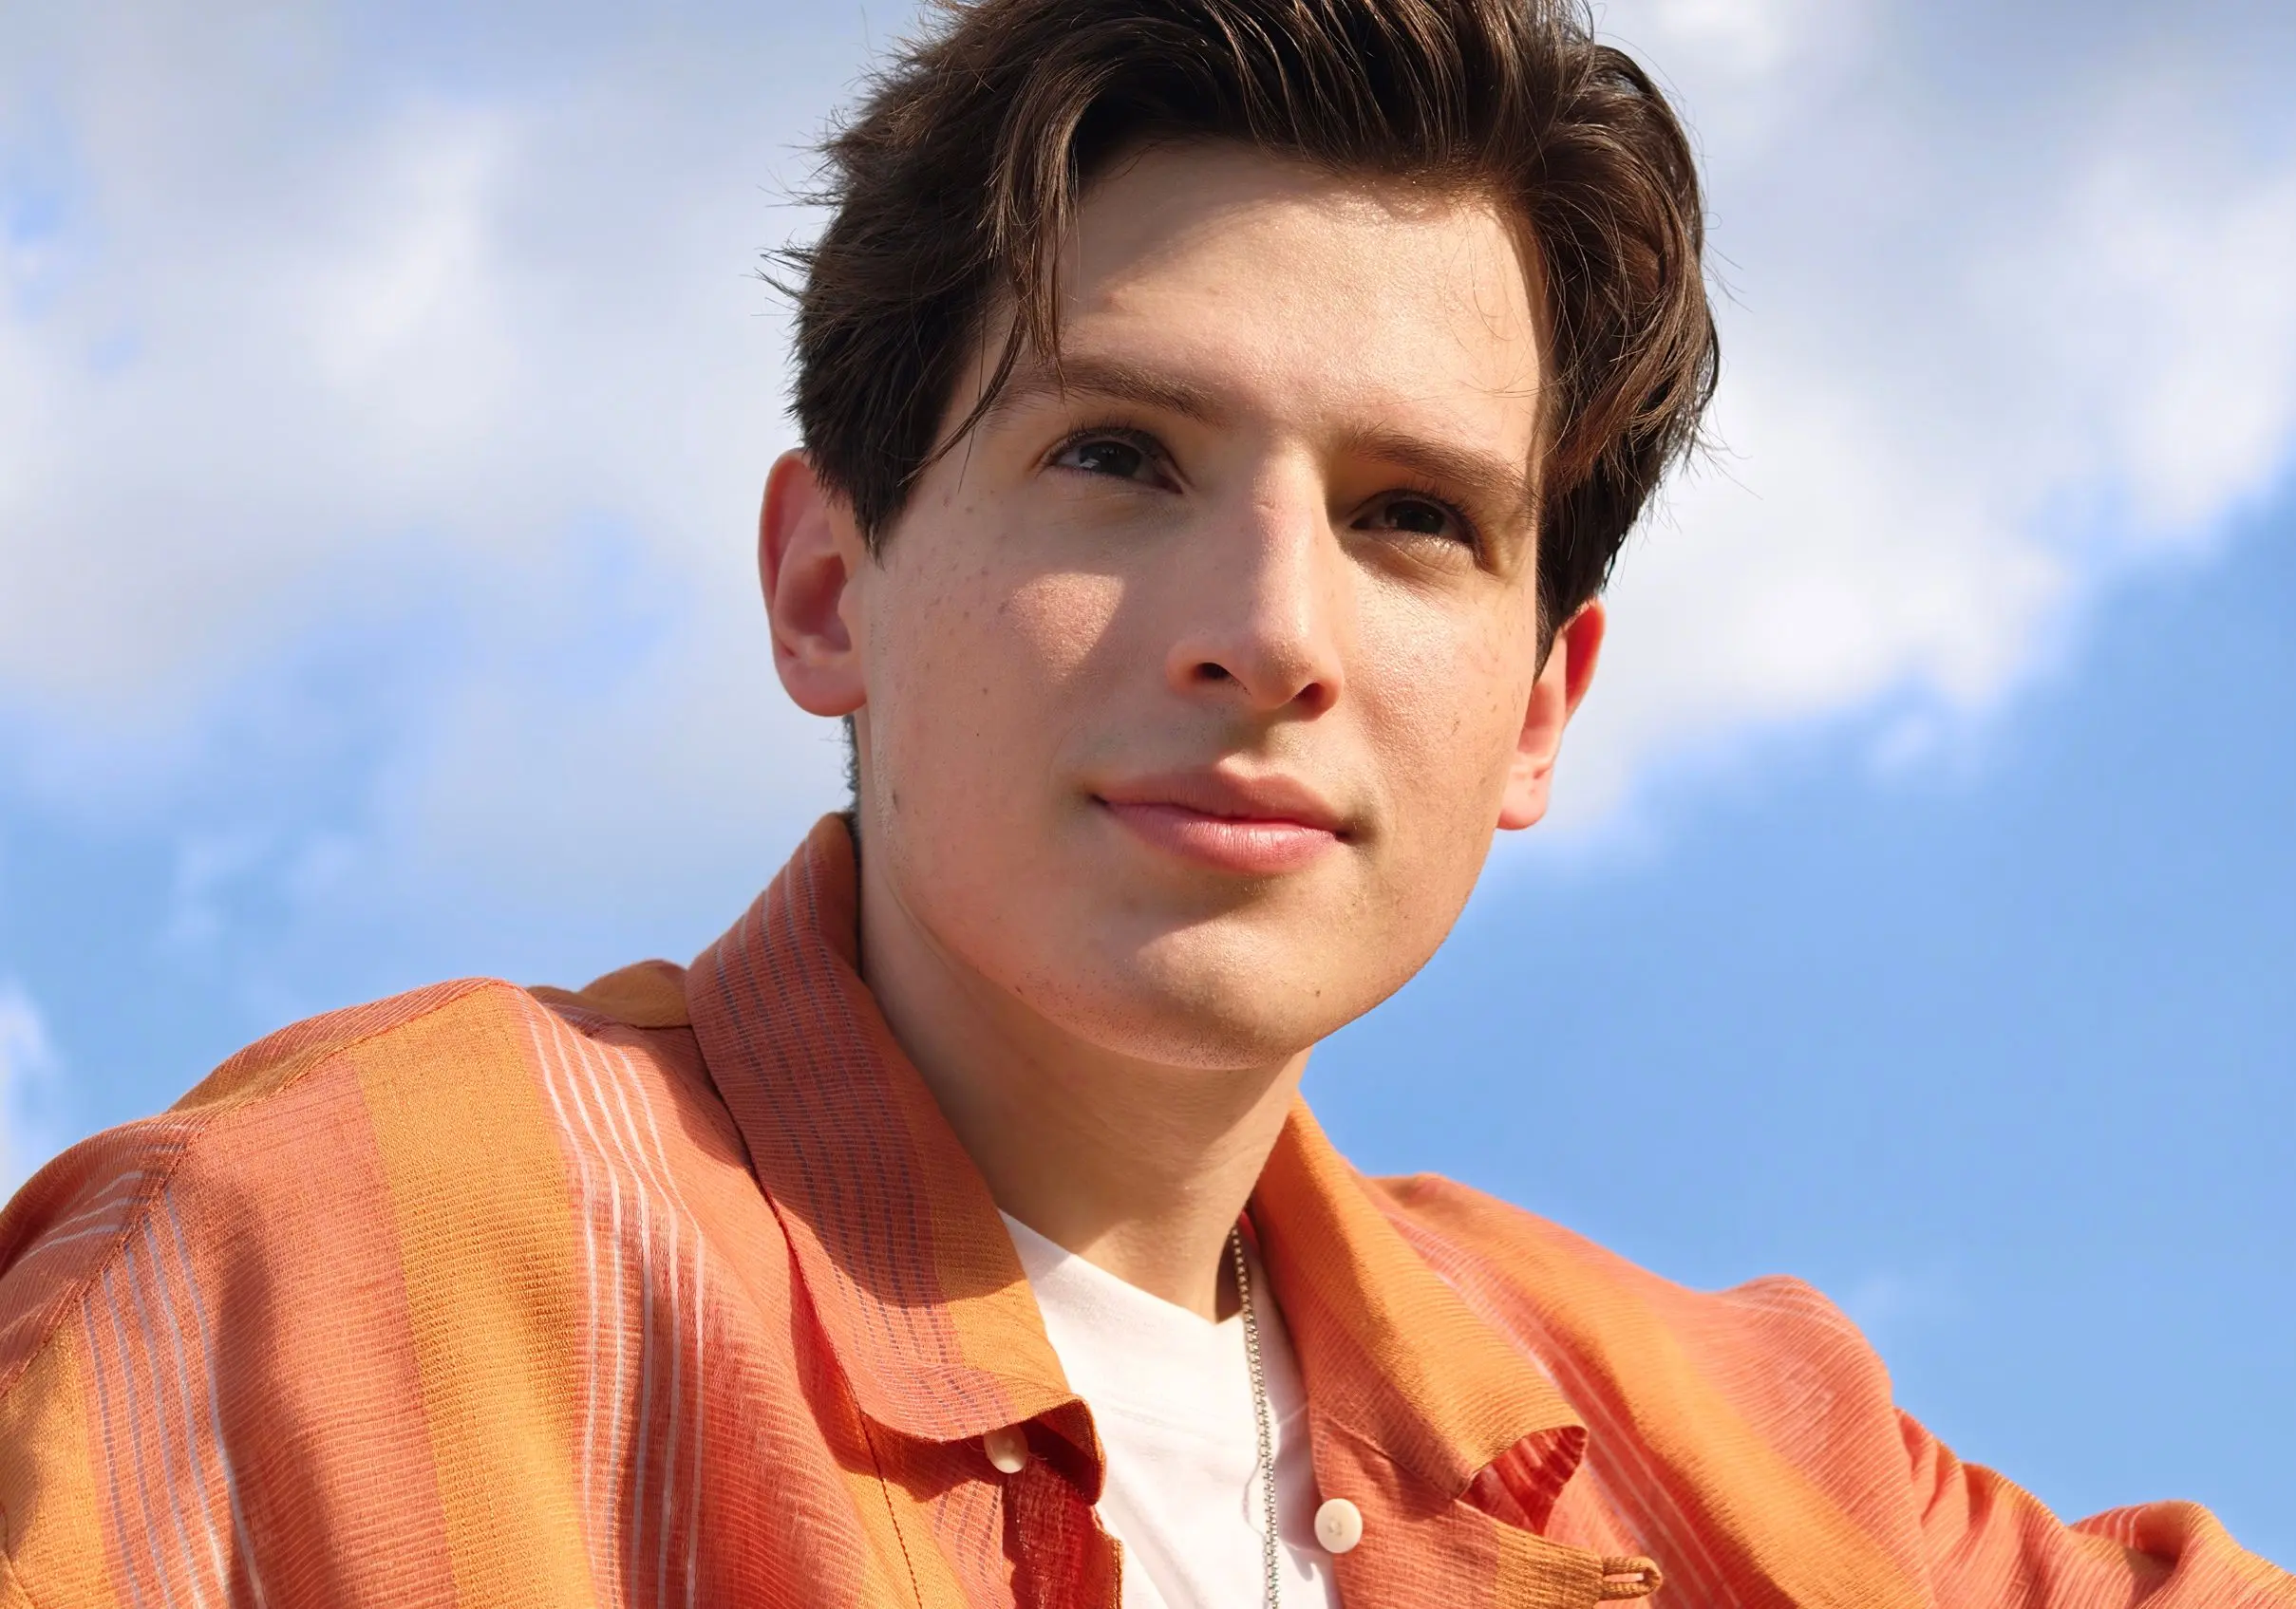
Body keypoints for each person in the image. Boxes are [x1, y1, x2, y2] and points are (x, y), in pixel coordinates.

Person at [0, 0, 2287, 1604]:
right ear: (826, 584)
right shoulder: (318, 1269)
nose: (1269, 628)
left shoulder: (1734, 1450)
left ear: (1541, 707)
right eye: (1119, 454)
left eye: (1412, 516)